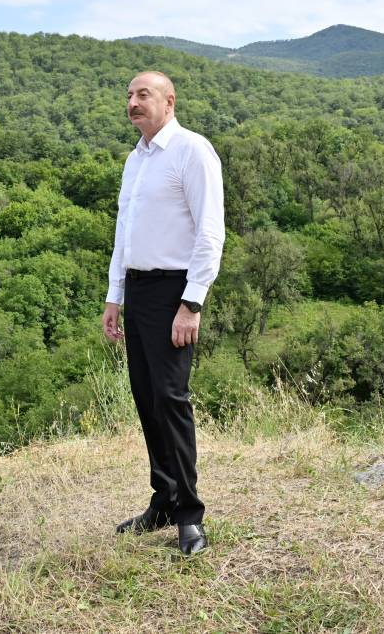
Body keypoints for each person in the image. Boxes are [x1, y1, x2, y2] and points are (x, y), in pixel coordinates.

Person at [101, 70, 224, 556]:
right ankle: (165, 500)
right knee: (147, 397)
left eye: (143, 94)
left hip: (175, 290)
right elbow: (124, 232)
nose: (133, 102)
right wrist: (115, 296)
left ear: (169, 101)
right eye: (129, 95)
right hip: (137, 289)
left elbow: (210, 232)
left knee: (171, 399)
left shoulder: (192, 150)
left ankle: (190, 515)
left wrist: (191, 303)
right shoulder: (135, 159)